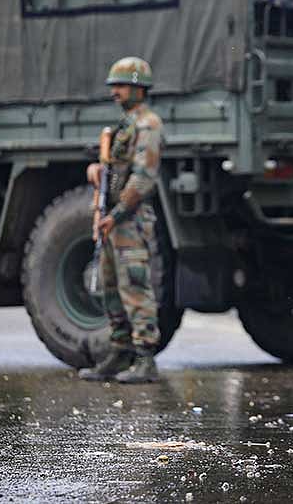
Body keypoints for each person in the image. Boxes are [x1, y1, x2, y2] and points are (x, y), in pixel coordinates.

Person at [79, 56, 165, 384]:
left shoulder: (148, 125)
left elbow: (143, 179)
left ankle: (145, 358)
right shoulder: (124, 125)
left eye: (121, 85)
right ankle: (119, 350)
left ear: (139, 88)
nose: (115, 91)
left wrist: (115, 216)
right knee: (110, 285)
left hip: (131, 219)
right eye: (114, 86)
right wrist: (97, 172)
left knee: (135, 286)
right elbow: (114, 169)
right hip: (113, 219)